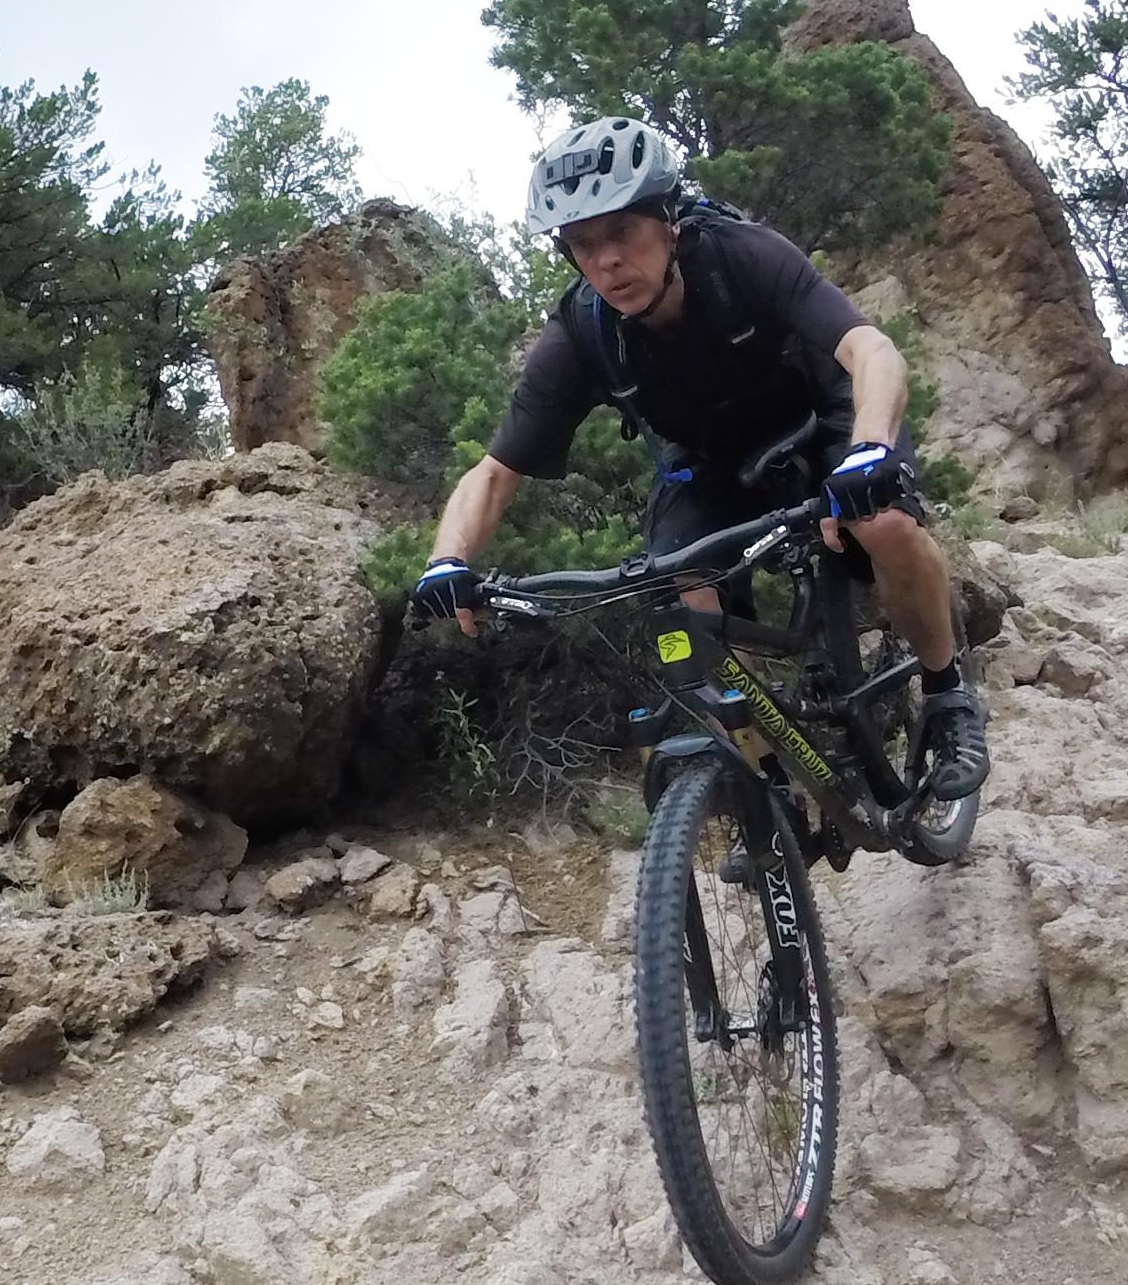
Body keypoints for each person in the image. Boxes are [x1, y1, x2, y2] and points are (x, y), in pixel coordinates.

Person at [412, 116, 991, 799]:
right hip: (713, 458)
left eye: (621, 232)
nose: (606, 262)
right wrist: (447, 560)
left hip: (825, 417)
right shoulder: (582, 333)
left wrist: (868, 452)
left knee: (883, 524)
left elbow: (872, 351)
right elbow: (495, 472)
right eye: (582, 245)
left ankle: (948, 693)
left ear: (668, 220)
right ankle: (763, 786)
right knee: (684, 596)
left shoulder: (741, 256)